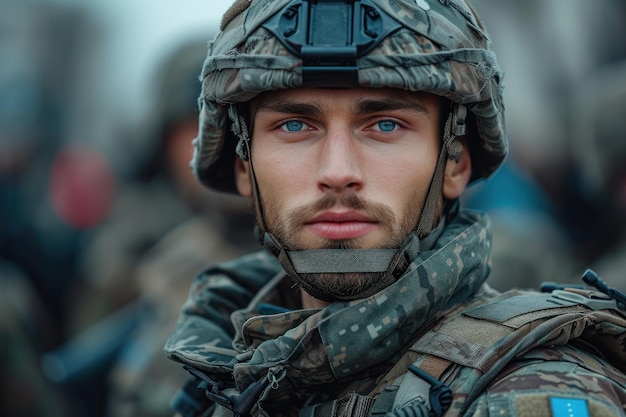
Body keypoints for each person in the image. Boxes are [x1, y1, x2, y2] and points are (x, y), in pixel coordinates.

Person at [164, 1, 626, 416]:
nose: (338, 170)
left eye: (385, 124)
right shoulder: (226, 373)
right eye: (294, 125)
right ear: (245, 167)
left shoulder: (531, 388)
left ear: (454, 164)